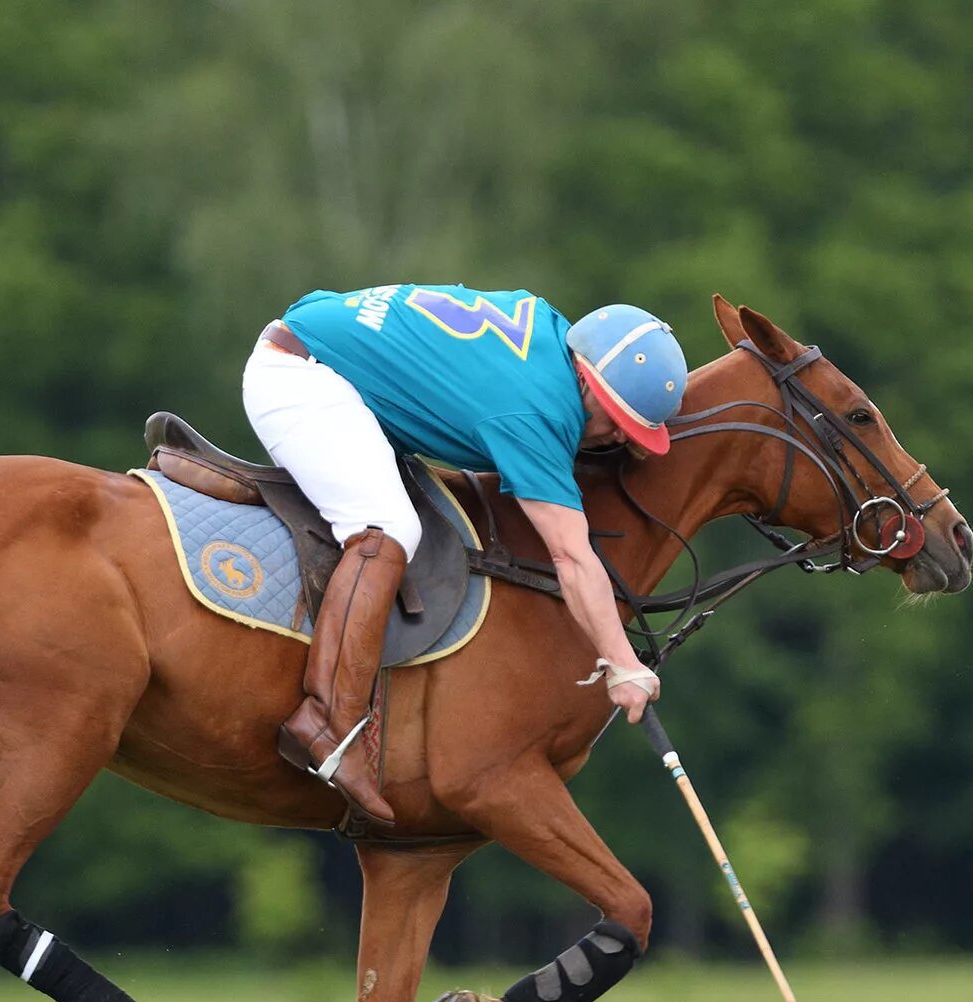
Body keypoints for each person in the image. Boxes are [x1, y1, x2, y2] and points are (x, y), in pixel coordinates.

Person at [243, 282, 686, 826]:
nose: (619, 441)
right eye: (618, 425)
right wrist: (622, 664)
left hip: (323, 342)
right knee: (388, 528)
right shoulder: (535, 414)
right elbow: (571, 557)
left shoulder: (553, 331)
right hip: (300, 379)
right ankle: (331, 722)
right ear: (590, 386)